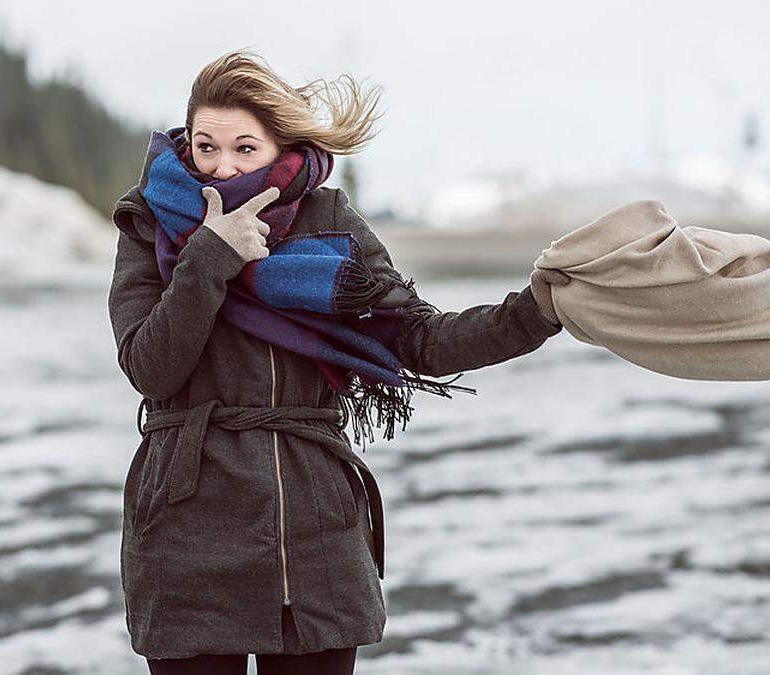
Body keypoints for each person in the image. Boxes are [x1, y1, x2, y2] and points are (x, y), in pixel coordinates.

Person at [107, 48, 570, 675]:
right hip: (189, 520)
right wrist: (210, 256)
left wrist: (533, 314)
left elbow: (419, 340)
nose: (220, 166)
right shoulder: (150, 223)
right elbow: (150, 366)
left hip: (314, 520)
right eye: (205, 146)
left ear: (280, 146)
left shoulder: (329, 222)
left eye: (245, 148)